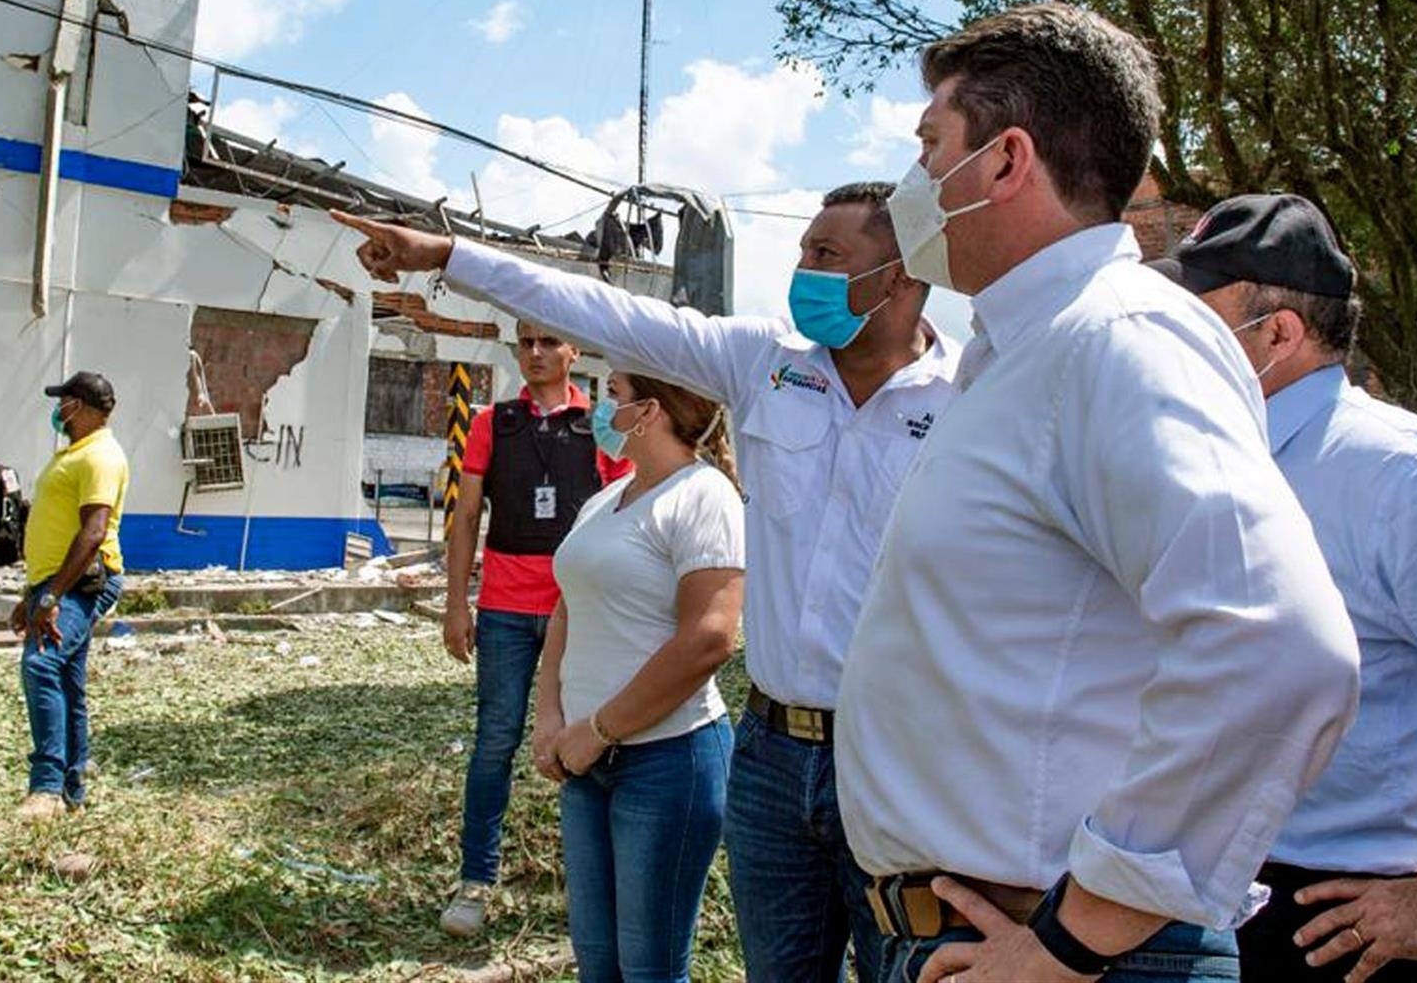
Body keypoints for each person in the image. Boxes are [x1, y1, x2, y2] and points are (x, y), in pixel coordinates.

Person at [836, 3, 1361, 983]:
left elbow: (1280, 643)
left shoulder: (1116, 339)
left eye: (929, 146)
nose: (912, 182)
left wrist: (1075, 940)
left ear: (1004, 161)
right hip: (981, 931)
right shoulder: (1022, 354)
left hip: (1073, 948)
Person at [334, 175, 961, 982]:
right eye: (803, 248)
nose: (801, 268)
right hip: (772, 754)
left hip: (899, 752)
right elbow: (606, 312)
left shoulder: (971, 392)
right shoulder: (766, 362)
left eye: (826, 253)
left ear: (903, 275)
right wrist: (449, 255)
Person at [1151, 194, 1417, 983]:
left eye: (1198, 319)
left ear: (1278, 334)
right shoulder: (1210, 460)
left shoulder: (1395, 473)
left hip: (1344, 932)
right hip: (1195, 906)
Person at [532, 371, 745, 981]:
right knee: (597, 961)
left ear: (648, 411)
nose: (602, 407)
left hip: (666, 762)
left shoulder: (705, 496)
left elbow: (709, 638)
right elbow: (566, 607)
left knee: (649, 967)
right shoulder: (608, 498)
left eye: (614, 393)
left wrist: (597, 729)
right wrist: (550, 717)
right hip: (584, 762)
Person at [438, 324, 630, 938]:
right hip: (503, 610)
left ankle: (593, 887)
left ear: (576, 350)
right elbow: (467, 514)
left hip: (579, 612)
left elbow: (629, 507)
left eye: (550, 342)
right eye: (526, 343)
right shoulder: (494, 423)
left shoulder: (600, 424)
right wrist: (455, 604)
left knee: (591, 742)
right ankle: (475, 879)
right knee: (496, 741)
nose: (537, 353)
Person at [9, 371, 128, 822]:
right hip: (57, 581)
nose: (58, 410)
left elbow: (93, 531)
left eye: (64, 402)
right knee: (66, 679)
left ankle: (46, 787)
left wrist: (51, 596)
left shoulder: (100, 456)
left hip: (83, 581)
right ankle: (72, 788)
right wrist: (34, 592)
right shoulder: (75, 453)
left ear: (80, 405)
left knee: (41, 664)